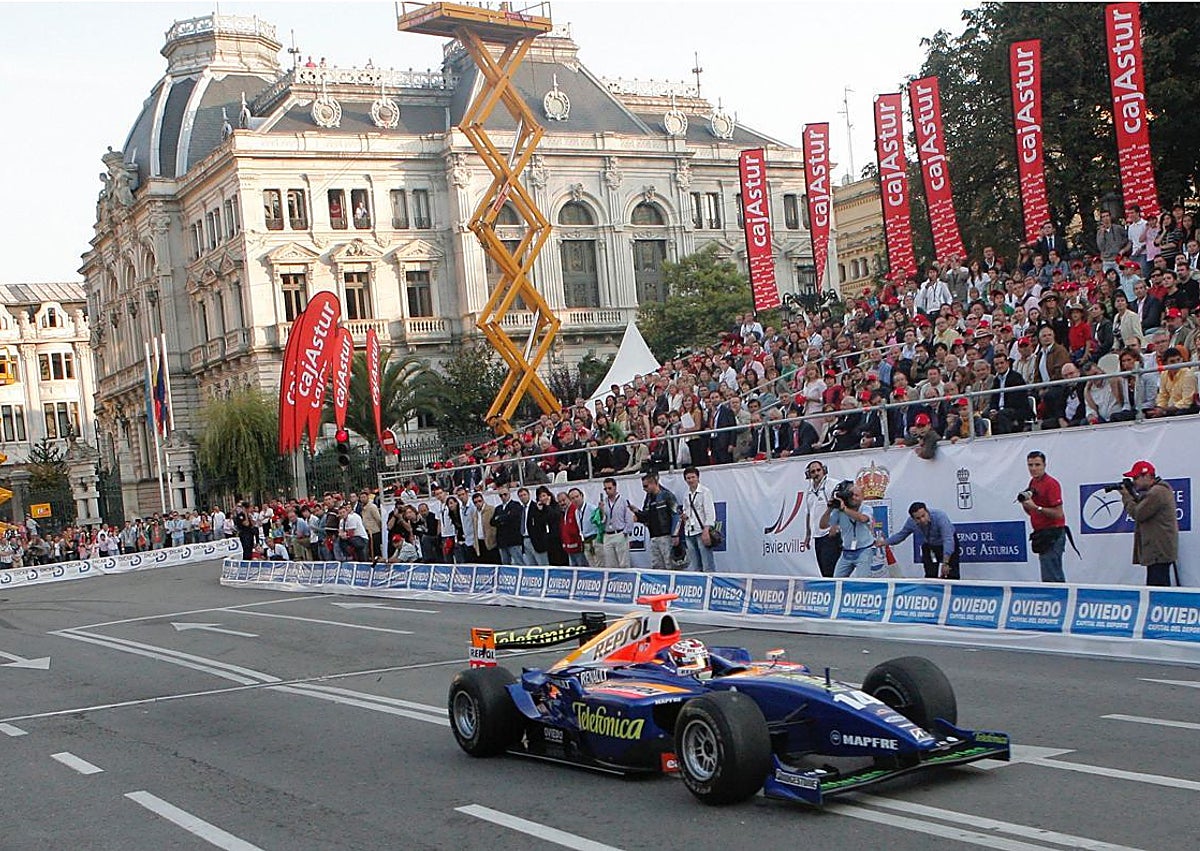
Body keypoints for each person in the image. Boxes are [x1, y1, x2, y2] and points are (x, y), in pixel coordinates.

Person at [1118, 460, 1179, 586]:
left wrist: (1126, 496)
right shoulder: (1158, 491)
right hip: (1158, 549)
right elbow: (1142, 506)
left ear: (1147, 476)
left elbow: (1138, 514)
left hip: (1158, 550)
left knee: (1157, 588)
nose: (1134, 482)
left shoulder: (1157, 492)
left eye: (1136, 478)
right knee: (1157, 586)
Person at [1019, 451, 1068, 582]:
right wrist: (1026, 504)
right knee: (1047, 574)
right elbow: (1031, 512)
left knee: (1052, 575)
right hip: (1041, 533)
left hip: (1053, 533)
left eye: (1037, 465)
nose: (1033, 468)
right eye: (1030, 465)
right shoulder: (1033, 482)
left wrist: (1036, 507)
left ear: (1044, 465)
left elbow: (1058, 513)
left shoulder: (1051, 484)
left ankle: (1058, 594)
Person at [880, 502, 960, 579]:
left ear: (927, 511)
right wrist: (884, 542)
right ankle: (931, 587)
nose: (922, 520)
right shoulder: (911, 522)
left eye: (923, 516)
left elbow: (948, 539)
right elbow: (901, 535)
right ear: (913, 518)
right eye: (918, 518)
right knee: (931, 574)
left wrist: (945, 563)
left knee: (951, 574)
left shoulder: (940, 516)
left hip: (948, 545)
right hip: (931, 548)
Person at [819, 481, 878, 578]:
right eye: (851, 495)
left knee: (862, 581)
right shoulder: (839, 510)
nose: (853, 498)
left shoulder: (866, 508)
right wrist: (830, 508)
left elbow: (863, 519)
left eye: (856, 495)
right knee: (837, 581)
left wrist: (844, 509)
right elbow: (823, 525)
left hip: (864, 550)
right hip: (846, 551)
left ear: (862, 497)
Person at [633, 471, 680, 571]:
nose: (644, 489)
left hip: (666, 536)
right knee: (656, 566)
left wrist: (675, 534)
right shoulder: (648, 499)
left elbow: (676, 515)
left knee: (670, 565)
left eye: (646, 486)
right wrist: (636, 512)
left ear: (654, 483)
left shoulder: (667, 495)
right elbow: (646, 516)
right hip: (653, 536)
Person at [801, 460, 839, 577]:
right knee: (824, 570)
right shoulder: (810, 491)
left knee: (830, 570)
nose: (816, 473)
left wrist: (836, 525)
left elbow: (840, 505)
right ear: (809, 474)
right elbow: (808, 513)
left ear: (824, 470)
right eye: (813, 472)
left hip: (830, 534)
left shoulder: (832, 484)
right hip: (818, 535)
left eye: (818, 470)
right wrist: (808, 534)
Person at [680, 466, 718, 573]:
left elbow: (710, 513)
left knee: (707, 564)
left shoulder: (705, 492)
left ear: (698, 477)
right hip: (689, 531)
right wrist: (684, 515)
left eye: (693, 477)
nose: (691, 480)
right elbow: (685, 509)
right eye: (688, 478)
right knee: (695, 566)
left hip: (701, 530)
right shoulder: (686, 494)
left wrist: (706, 530)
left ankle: (710, 582)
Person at [598, 477, 635, 569]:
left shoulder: (623, 501)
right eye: (605, 489)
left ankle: (626, 578)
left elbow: (629, 518)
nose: (607, 491)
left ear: (615, 487)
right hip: (608, 534)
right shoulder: (604, 502)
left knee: (623, 563)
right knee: (610, 564)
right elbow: (602, 521)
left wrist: (625, 532)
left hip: (619, 533)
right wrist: (601, 511)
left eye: (609, 488)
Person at [490, 487, 524, 565]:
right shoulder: (498, 508)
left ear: (509, 494)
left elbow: (512, 517)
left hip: (513, 540)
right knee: (505, 563)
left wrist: (499, 518)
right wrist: (505, 517)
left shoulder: (515, 505)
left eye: (505, 494)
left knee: (519, 562)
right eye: (501, 495)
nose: (503, 497)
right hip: (502, 541)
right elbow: (492, 522)